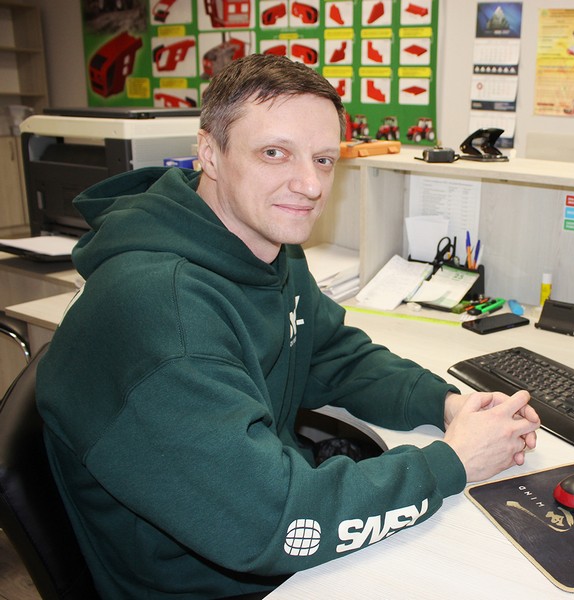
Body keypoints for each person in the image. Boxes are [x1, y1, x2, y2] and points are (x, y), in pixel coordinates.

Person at [36, 53, 540, 599]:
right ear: (209, 152)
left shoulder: (266, 242)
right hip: (207, 581)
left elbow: (331, 353)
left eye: (323, 160)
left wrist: (445, 406)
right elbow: (273, 521)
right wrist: (452, 462)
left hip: (257, 526)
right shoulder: (163, 313)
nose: (310, 185)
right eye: (274, 153)